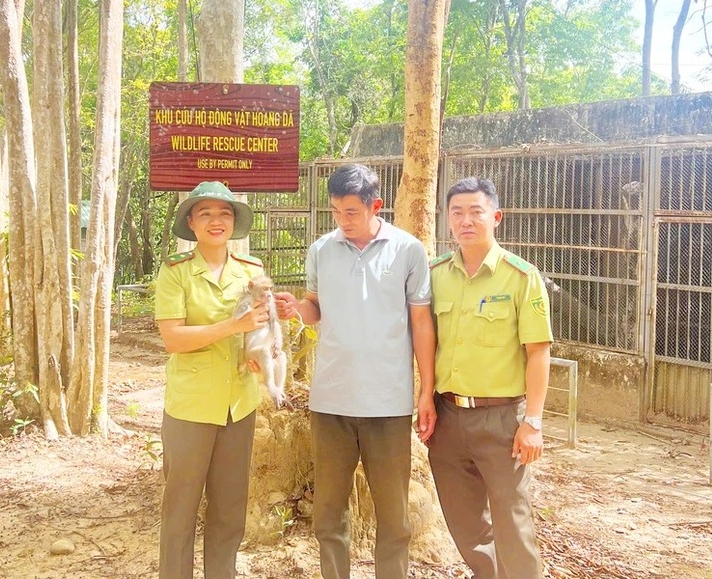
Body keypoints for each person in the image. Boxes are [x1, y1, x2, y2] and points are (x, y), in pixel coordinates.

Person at [275, 163, 437, 579]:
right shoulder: (321, 250)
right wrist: (296, 309)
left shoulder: (408, 250)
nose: (342, 221)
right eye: (335, 211)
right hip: (331, 403)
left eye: (351, 212)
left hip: (388, 404)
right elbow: (314, 309)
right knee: (329, 512)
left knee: (394, 514)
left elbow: (421, 324)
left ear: (375, 205)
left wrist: (425, 390)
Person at [427, 177, 553, 579]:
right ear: (447, 220)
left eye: (476, 211)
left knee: (513, 523)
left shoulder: (520, 277)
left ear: (495, 217)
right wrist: (425, 399)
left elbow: (538, 352)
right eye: (457, 212)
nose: (466, 220)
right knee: (464, 525)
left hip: (502, 422)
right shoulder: (435, 275)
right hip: (447, 419)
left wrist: (532, 421)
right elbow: (426, 342)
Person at [154, 181, 271, 579]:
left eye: (224, 213)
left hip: (238, 404)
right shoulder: (175, 273)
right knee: (180, 509)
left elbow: (260, 329)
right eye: (205, 213)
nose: (216, 221)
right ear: (192, 222)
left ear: (235, 221)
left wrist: (259, 354)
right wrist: (231, 326)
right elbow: (173, 338)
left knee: (229, 510)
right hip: (191, 406)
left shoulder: (252, 271)